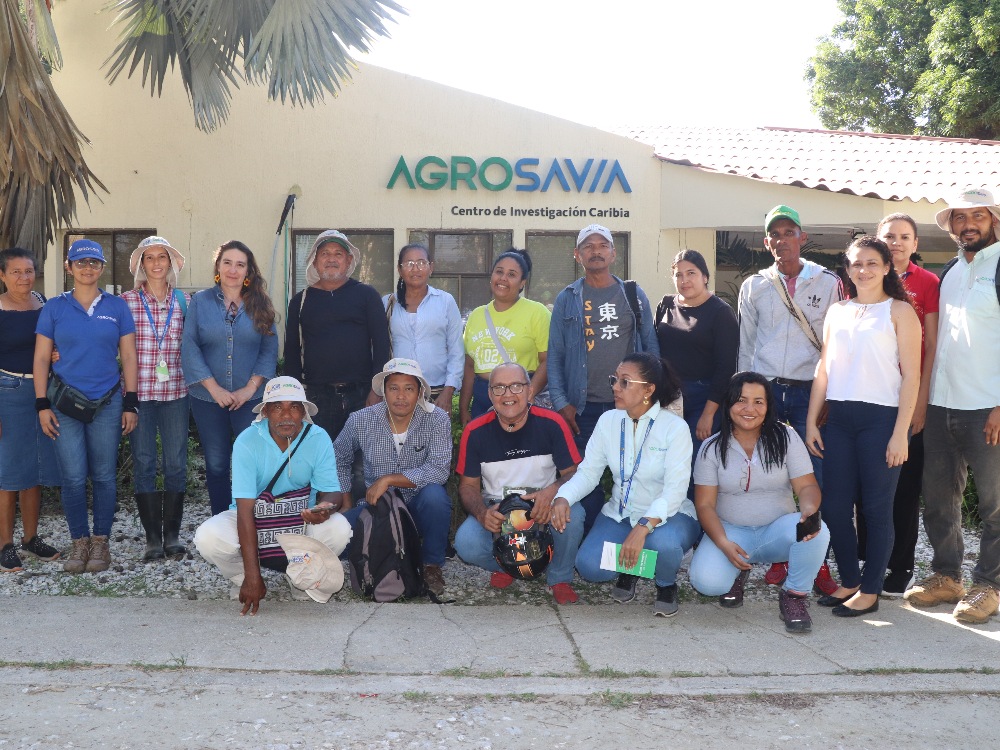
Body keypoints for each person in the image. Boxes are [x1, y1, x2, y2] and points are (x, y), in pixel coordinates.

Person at [805, 236, 921, 618]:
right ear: (847, 269)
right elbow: (824, 369)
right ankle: (851, 582)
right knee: (836, 508)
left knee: (875, 509)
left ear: (887, 267)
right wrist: (811, 421)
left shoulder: (900, 311)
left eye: (872, 263)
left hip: (881, 419)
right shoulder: (838, 310)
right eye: (856, 263)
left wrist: (900, 432)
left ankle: (871, 591)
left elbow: (912, 377)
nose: (864, 270)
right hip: (837, 419)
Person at [905, 188, 1000, 624]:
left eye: (977, 215)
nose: (968, 224)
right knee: (939, 500)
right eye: (960, 218)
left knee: (995, 504)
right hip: (943, 404)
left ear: (993, 220)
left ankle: (990, 585)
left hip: (988, 405)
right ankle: (947, 575)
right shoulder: (950, 272)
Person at [738, 205, 843, 594]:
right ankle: (784, 555)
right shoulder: (755, 286)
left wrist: (829, 393)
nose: (782, 240)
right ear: (767, 243)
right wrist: (743, 395)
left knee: (813, 477)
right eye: (775, 235)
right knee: (772, 474)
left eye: (789, 232)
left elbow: (836, 345)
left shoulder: (828, 282)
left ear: (802, 237)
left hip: (809, 393)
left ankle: (816, 562)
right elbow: (746, 346)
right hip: (765, 392)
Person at [194, 376, 352, 614]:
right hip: (255, 520)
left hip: (299, 519)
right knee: (208, 536)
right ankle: (241, 579)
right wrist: (252, 575)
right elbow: (245, 509)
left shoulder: (317, 437)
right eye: (278, 407)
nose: (286, 415)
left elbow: (332, 491)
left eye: (294, 407)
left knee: (339, 529)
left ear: (304, 412)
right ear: (265, 412)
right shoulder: (247, 441)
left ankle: (302, 578)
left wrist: (325, 508)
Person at [559, 352, 701, 617]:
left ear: (648, 390)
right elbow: (589, 473)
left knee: (665, 546)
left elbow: (675, 492)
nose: (614, 387)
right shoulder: (609, 421)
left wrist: (643, 528)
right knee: (590, 567)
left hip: (668, 516)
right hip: (620, 513)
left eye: (625, 382)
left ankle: (666, 583)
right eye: (615, 379)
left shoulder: (675, 428)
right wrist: (563, 497)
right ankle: (632, 566)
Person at [689, 372, 829, 633]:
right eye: (741, 400)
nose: (749, 409)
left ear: (768, 406)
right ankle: (736, 570)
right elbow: (705, 506)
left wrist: (809, 508)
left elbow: (808, 486)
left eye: (758, 402)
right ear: (729, 403)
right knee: (705, 583)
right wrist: (722, 544)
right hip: (731, 534)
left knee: (817, 530)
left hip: (776, 532)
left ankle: (794, 596)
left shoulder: (786, 437)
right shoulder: (710, 448)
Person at [33, 239, 139, 574]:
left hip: (107, 402)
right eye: (80, 263)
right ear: (69, 268)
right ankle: (79, 543)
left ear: (102, 267)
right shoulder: (54, 307)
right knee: (74, 477)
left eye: (94, 263)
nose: (87, 268)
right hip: (65, 404)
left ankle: (101, 543)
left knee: (106, 476)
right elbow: (40, 357)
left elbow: (129, 356)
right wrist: (41, 404)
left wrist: (130, 402)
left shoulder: (117, 306)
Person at [548, 224, 660, 532]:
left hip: (628, 405)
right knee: (586, 475)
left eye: (602, 245)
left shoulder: (633, 294)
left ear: (613, 252)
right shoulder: (567, 299)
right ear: (577, 255)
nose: (595, 250)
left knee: (638, 473)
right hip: (582, 408)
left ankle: (635, 534)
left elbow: (650, 348)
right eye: (588, 246)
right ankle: (592, 537)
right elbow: (555, 355)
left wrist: (649, 399)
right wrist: (561, 404)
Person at [454, 362, 585, 604]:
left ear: (529, 391)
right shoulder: (475, 431)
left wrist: (553, 492)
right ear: (490, 394)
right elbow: (468, 487)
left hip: (542, 505)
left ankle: (559, 577)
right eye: (499, 388)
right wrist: (483, 513)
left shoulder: (553, 423)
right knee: (466, 542)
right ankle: (507, 565)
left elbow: (575, 472)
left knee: (573, 514)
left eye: (516, 386)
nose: (508, 395)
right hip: (498, 508)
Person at [856, 214, 939, 596]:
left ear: (915, 244)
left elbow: (931, 349)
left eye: (905, 237)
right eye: (889, 236)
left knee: (903, 487)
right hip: (870, 400)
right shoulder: (864, 280)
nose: (897, 242)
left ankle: (900, 565)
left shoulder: (928, 283)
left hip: (910, 398)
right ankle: (866, 557)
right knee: (866, 486)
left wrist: (920, 406)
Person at [335, 358, 453, 596]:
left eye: (409, 388)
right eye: (394, 388)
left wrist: (388, 479)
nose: (401, 396)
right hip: (378, 508)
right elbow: (338, 457)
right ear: (383, 391)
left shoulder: (437, 419)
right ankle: (380, 558)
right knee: (337, 538)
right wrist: (345, 501)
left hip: (419, 506)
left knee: (436, 497)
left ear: (420, 392)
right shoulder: (361, 419)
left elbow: (439, 470)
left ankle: (431, 565)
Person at [182, 241, 278, 516]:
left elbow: (269, 349)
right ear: (218, 267)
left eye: (240, 264)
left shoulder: (260, 303)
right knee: (216, 464)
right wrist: (215, 390)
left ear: (248, 271)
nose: (233, 270)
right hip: (208, 400)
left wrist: (249, 389)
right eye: (227, 263)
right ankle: (222, 525)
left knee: (254, 463)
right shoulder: (200, 301)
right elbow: (190, 346)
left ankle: (256, 523)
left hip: (251, 400)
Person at [121, 236, 191, 560]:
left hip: (176, 393)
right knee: (146, 463)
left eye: (162, 256)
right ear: (140, 265)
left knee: (176, 463)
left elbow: (197, 344)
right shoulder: (126, 302)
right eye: (149, 258)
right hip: (140, 396)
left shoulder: (184, 301)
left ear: (171, 262)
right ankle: (152, 539)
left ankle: (173, 537)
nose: (156, 263)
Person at [284, 230, 391, 439]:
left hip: (362, 395)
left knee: (362, 464)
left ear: (349, 260)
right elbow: (292, 355)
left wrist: (377, 390)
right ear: (314, 261)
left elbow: (381, 345)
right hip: (316, 398)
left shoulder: (367, 295)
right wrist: (294, 399)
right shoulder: (300, 301)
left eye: (338, 253)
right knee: (321, 462)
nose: (331, 259)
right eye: (325, 253)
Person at [0, 247, 60, 572]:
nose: (24, 277)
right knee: (8, 474)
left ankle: (31, 539)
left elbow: (51, 343)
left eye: (28, 270)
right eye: (16, 272)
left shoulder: (43, 303)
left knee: (35, 470)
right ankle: (4, 545)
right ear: (2, 275)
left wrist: (56, 354)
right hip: (6, 392)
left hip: (41, 394)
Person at [655, 249, 739, 458]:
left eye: (691, 273)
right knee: (665, 461)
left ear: (705, 277)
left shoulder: (720, 312)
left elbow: (726, 368)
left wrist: (708, 414)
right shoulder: (666, 305)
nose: (684, 280)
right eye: (678, 274)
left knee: (694, 463)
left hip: (704, 398)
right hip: (667, 396)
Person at [460, 249, 550, 425]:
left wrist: (528, 397)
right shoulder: (477, 315)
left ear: (522, 282)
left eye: (512, 274)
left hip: (518, 398)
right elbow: (469, 366)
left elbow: (548, 361)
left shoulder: (537, 312)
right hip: (482, 400)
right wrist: (464, 408)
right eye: (499, 271)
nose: (503, 278)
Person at [382, 243, 463, 413]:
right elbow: (378, 348)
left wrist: (449, 391)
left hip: (437, 392)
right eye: (409, 264)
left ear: (431, 267)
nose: (415, 268)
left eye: (421, 262)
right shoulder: (388, 303)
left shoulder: (445, 301)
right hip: (398, 393)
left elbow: (456, 349)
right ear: (399, 269)